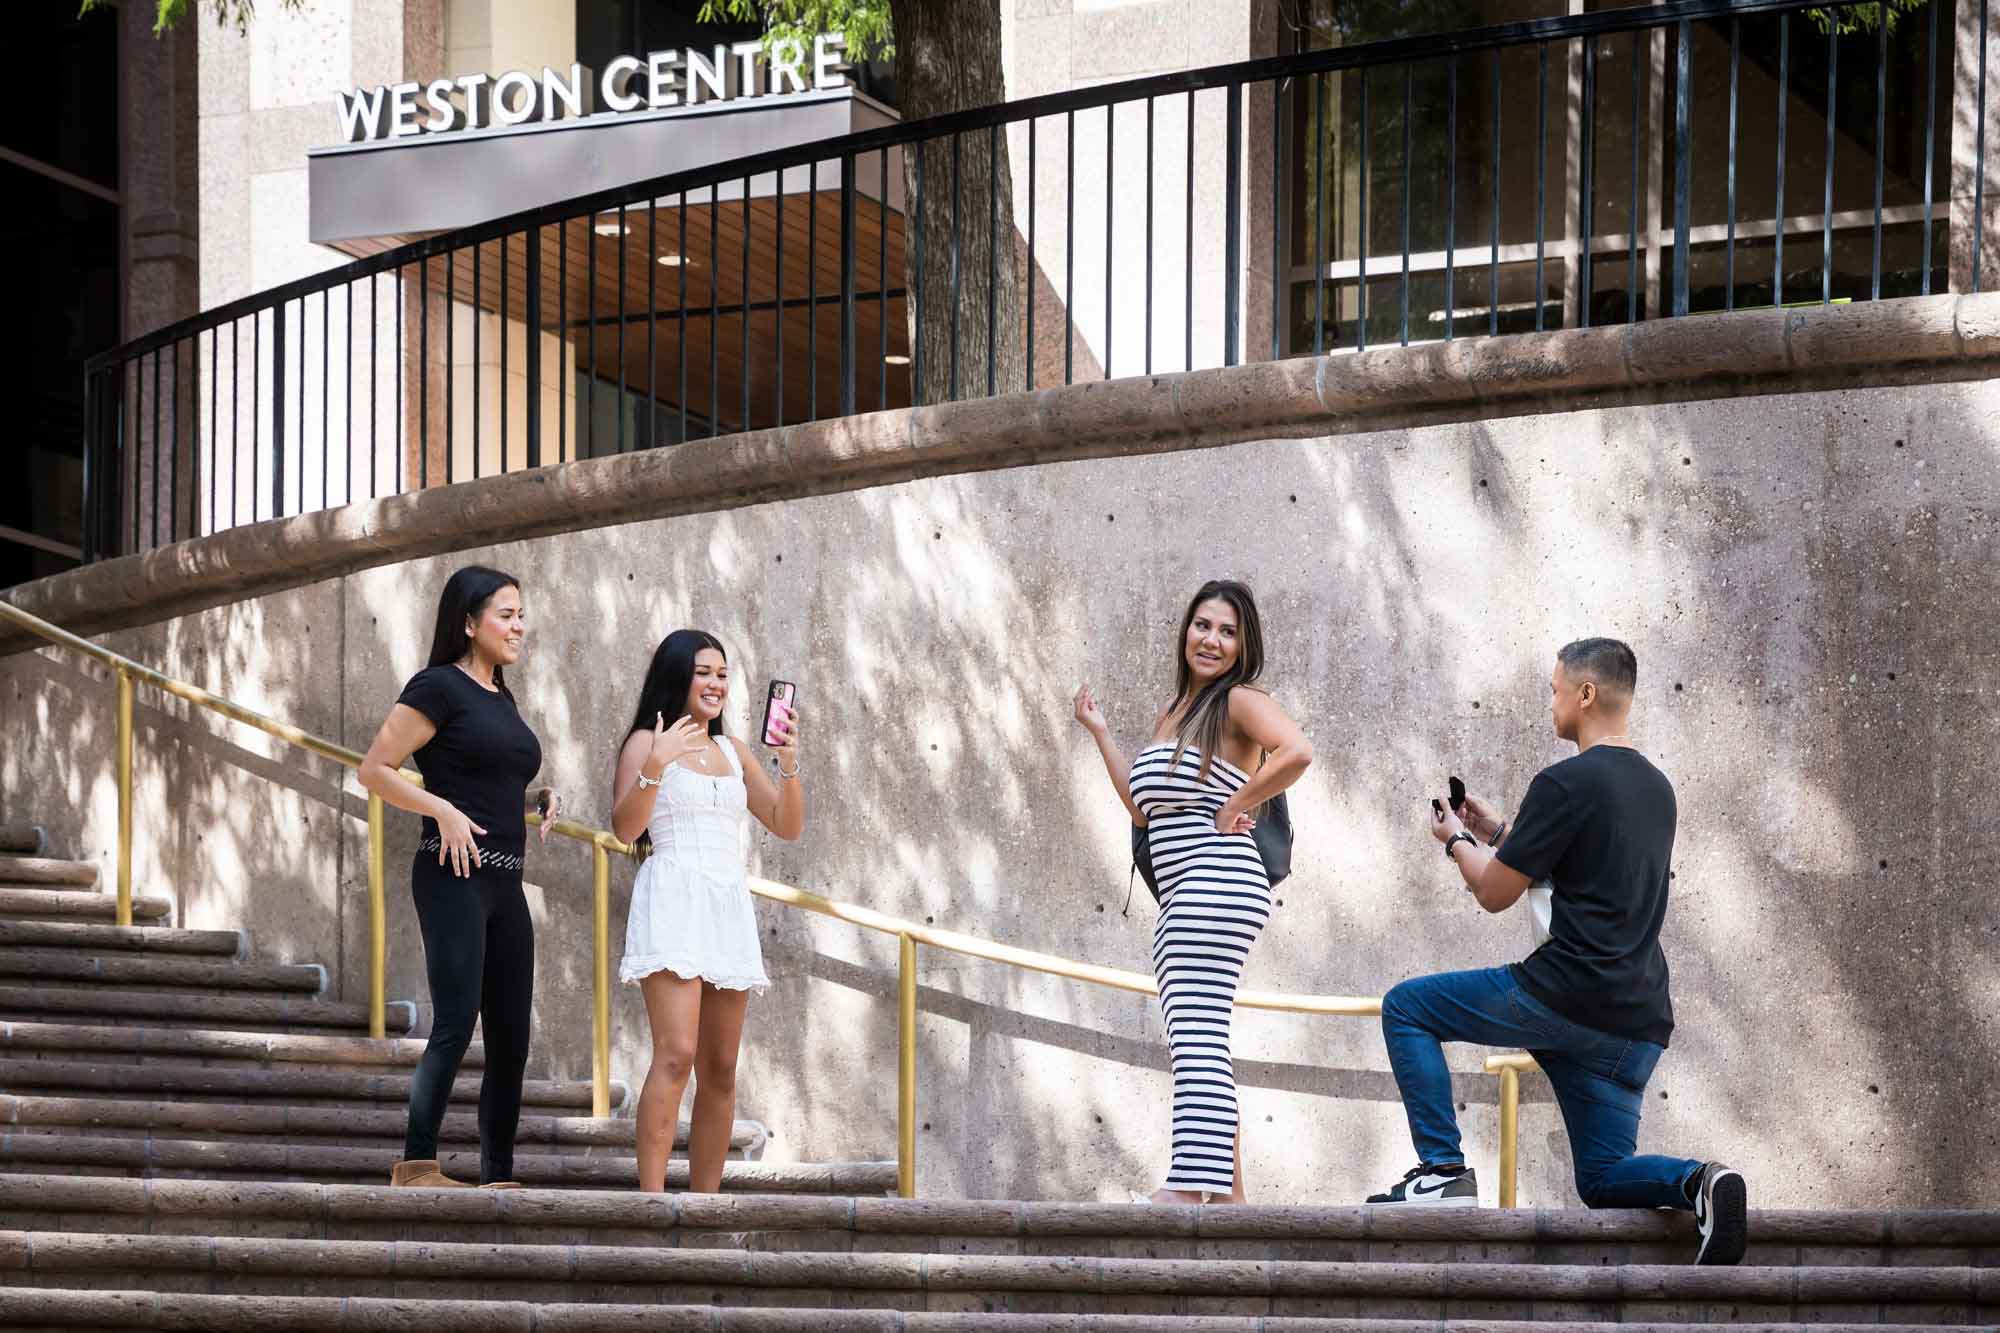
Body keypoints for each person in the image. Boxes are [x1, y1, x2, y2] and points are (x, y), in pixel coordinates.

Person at [1371, 637, 1746, 1265]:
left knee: (1408, 1008)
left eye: (1554, 689)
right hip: (1636, 1022)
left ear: (1586, 693)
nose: (1550, 701)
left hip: (1565, 994)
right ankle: (1700, 1182)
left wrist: (1455, 839)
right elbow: (1585, 867)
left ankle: (1442, 1172)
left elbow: (1494, 892)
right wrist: (1495, 831)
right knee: (1602, 1178)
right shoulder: (1657, 789)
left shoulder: (1564, 782)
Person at [1074, 579, 1312, 1204]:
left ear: (1242, 645)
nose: (1211, 639)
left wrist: (1238, 800)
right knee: (1202, 1030)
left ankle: (1188, 1189)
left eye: (1227, 631)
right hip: (1188, 891)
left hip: (1217, 880)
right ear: (1185, 630)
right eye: (1202, 625)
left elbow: (1298, 750)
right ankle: (1230, 1198)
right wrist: (1101, 733)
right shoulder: (1177, 712)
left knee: (1195, 1035)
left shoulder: (1237, 701)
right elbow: (1143, 809)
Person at [359, 565, 562, 1190]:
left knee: (511, 1038)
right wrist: (440, 809)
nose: (518, 625)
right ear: (469, 623)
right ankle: (416, 1165)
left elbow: (489, 774)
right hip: (452, 876)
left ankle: (496, 1174)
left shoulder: (503, 695)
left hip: (506, 881)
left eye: (521, 613)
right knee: (455, 1021)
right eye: (506, 614)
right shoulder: (438, 686)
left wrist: (538, 798)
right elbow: (376, 769)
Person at [610, 630, 804, 1193]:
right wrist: (656, 763)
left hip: (725, 903)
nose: (716, 683)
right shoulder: (646, 740)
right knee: (676, 1052)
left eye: (722, 673)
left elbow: (787, 825)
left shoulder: (734, 750)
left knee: (719, 1068)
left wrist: (787, 764)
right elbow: (625, 829)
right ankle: (649, 1205)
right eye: (704, 672)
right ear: (676, 676)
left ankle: (704, 1207)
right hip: (672, 896)